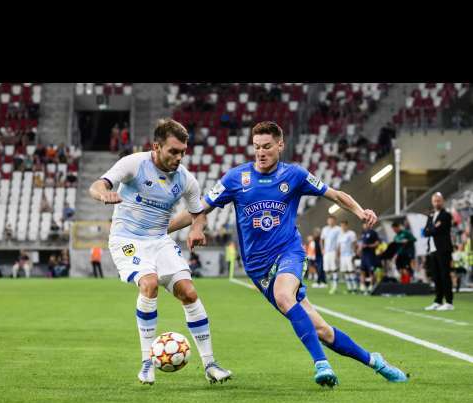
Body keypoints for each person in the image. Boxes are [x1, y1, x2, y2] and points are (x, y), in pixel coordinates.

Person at [168, 121, 407, 388]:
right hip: (258, 269)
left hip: (289, 252)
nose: (261, 152)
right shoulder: (236, 178)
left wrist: (361, 212)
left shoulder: (295, 175)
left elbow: (335, 195)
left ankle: (321, 364)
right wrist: (160, 230)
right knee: (321, 330)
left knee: (284, 295)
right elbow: (199, 209)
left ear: (280, 145)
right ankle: (376, 362)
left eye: (267, 147)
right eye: (256, 147)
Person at [89, 118, 232, 386]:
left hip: (159, 240)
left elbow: (198, 213)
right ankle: (147, 363)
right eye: (173, 151)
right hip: (127, 239)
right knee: (149, 283)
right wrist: (103, 195)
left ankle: (210, 364)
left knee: (189, 292)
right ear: (156, 146)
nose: (178, 157)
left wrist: (197, 229)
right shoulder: (134, 164)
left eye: (182, 152)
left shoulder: (186, 179)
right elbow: (98, 185)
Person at [424, 192, 454, 311]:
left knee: (445, 275)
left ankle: (449, 302)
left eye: (439, 200)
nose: (437, 203)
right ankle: (438, 301)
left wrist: (432, 229)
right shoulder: (431, 216)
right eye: (435, 201)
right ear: (432, 202)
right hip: (432, 249)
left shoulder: (446, 215)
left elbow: (437, 230)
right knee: (436, 276)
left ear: (443, 201)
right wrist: (433, 228)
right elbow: (426, 232)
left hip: (443, 249)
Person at [321, 215, 342, 294]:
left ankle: (335, 286)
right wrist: (322, 249)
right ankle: (331, 285)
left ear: (335, 221)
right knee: (327, 270)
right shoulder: (325, 229)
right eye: (329, 220)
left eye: (332, 220)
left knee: (334, 269)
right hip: (326, 252)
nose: (330, 222)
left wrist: (338, 251)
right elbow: (322, 240)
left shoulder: (338, 229)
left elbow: (339, 241)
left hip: (334, 251)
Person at [359, 221, 380, 294]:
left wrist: (368, 246)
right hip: (364, 255)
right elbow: (361, 244)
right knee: (362, 271)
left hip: (370, 255)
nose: (365, 226)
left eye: (366, 224)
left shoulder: (373, 233)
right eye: (364, 224)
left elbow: (377, 243)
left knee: (371, 271)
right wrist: (359, 250)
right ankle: (362, 287)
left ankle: (371, 286)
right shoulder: (363, 233)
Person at [337, 220, 358, 293]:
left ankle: (355, 288)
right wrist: (338, 255)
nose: (342, 227)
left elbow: (354, 244)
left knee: (351, 271)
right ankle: (349, 288)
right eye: (341, 226)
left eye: (344, 226)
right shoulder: (340, 235)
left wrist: (354, 254)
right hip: (342, 256)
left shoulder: (351, 233)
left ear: (347, 226)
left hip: (349, 255)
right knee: (345, 271)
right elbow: (339, 246)